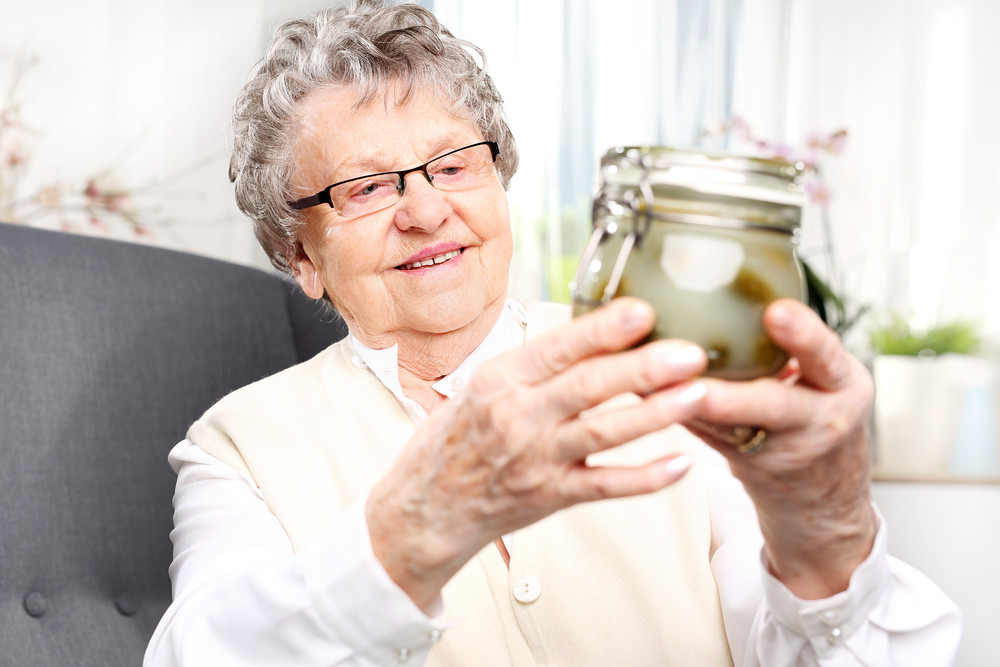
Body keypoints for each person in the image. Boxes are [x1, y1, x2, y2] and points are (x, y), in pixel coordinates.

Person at [144, 1, 960, 665]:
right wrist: (418, 524)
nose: (426, 210)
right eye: (365, 189)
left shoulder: (665, 359)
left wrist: (829, 539)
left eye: (453, 165)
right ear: (301, 256)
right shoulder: (236, 449)